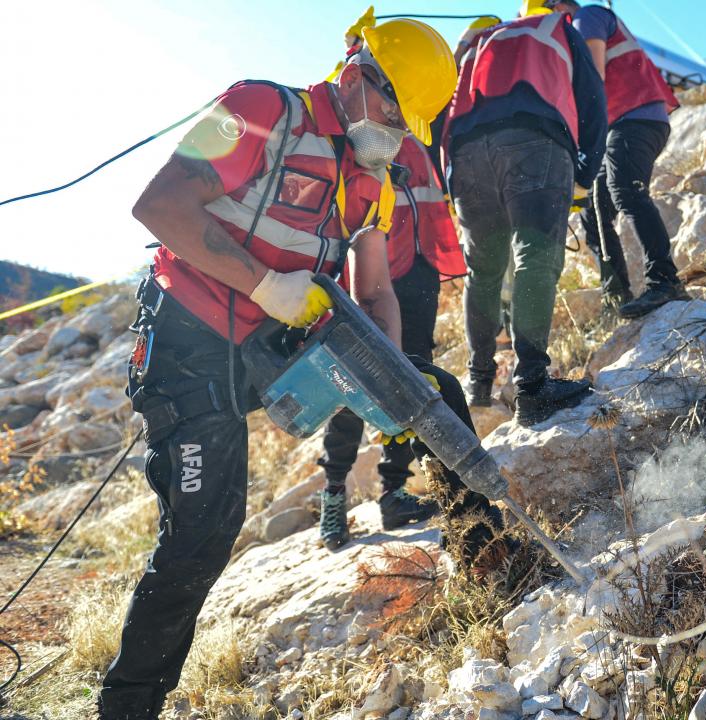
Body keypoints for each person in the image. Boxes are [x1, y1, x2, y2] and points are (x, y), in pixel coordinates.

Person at [98, 20, 456, 719]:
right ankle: (127, 706)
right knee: (205, 529)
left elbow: (376, 293)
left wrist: (396, 388)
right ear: (356, 74)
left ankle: (483, 540)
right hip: (187, 343)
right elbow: (160, 205)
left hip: (262, 351)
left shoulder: (371, 182)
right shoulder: (260, 110)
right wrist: (265, 284)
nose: (396, 134)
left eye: (407, 126)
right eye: (392, 114)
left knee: (433, 389)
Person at [315, 15, 499, 552]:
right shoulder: (353, 116)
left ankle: (394, 491)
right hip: (367, 267)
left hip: (417, 264)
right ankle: (333, 495)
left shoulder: (409, 113)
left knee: (412, 376)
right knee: (352, 381)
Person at [444, 8, 608, 426]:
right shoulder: (558, 27)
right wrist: (585, 174)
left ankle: (479, 381)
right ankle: (532, 387)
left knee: (483, 271)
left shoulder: (477, 41)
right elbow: (593, 97)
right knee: (535, 256)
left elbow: (443, 104)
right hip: (535, 138)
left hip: (466, 151)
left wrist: (448, 172)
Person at [531, 0, 687, 319]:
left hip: (637, 118)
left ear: (557, 7)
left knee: (626, 191)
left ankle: (665, 281)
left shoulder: (587, 17)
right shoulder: (578, 27)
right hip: (620, 124)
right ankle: (615, 295)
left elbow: (593, 79)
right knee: (595, 209)